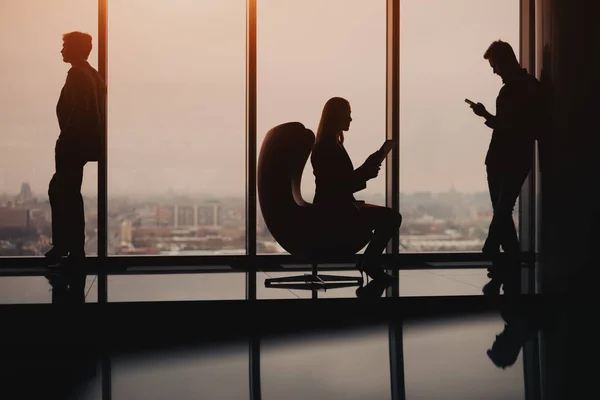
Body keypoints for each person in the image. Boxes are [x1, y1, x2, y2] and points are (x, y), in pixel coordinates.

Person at [469, 40, 544, 295]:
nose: (494, 71)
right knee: (503, 211)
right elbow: (513, 125)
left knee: (502, 210)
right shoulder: (527, 87)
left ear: (505, 61)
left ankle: (493, 248)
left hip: (506, 157)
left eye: (494, 65)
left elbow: (510, 125)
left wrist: (487, 116)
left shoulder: (522, 89)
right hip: (507, 157)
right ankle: (508, 261)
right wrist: (488, 116)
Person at [311, 97, 402, 283]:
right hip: (335, 211)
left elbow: (339, 183)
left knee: (390, 217)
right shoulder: (328, 146)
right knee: (392, 218)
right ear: (336, 117)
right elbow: (340, 185)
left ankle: (369, 262)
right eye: (348, 114)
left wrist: (365, 172)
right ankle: (369, 261)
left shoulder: (328, 144)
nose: (351, 119)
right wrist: (366, 171)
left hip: (335, 207)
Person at [45, 32, 106, 268]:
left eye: (65, 46)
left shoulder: (77, 75)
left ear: (77, 49)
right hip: (85, 143)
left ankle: (71, 251)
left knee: (66, 195)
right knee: (62, 191)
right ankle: (66, 248)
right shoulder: (93, 75)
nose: (62, 50)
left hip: (73, 145)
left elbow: (79, 111)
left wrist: (65, 137)